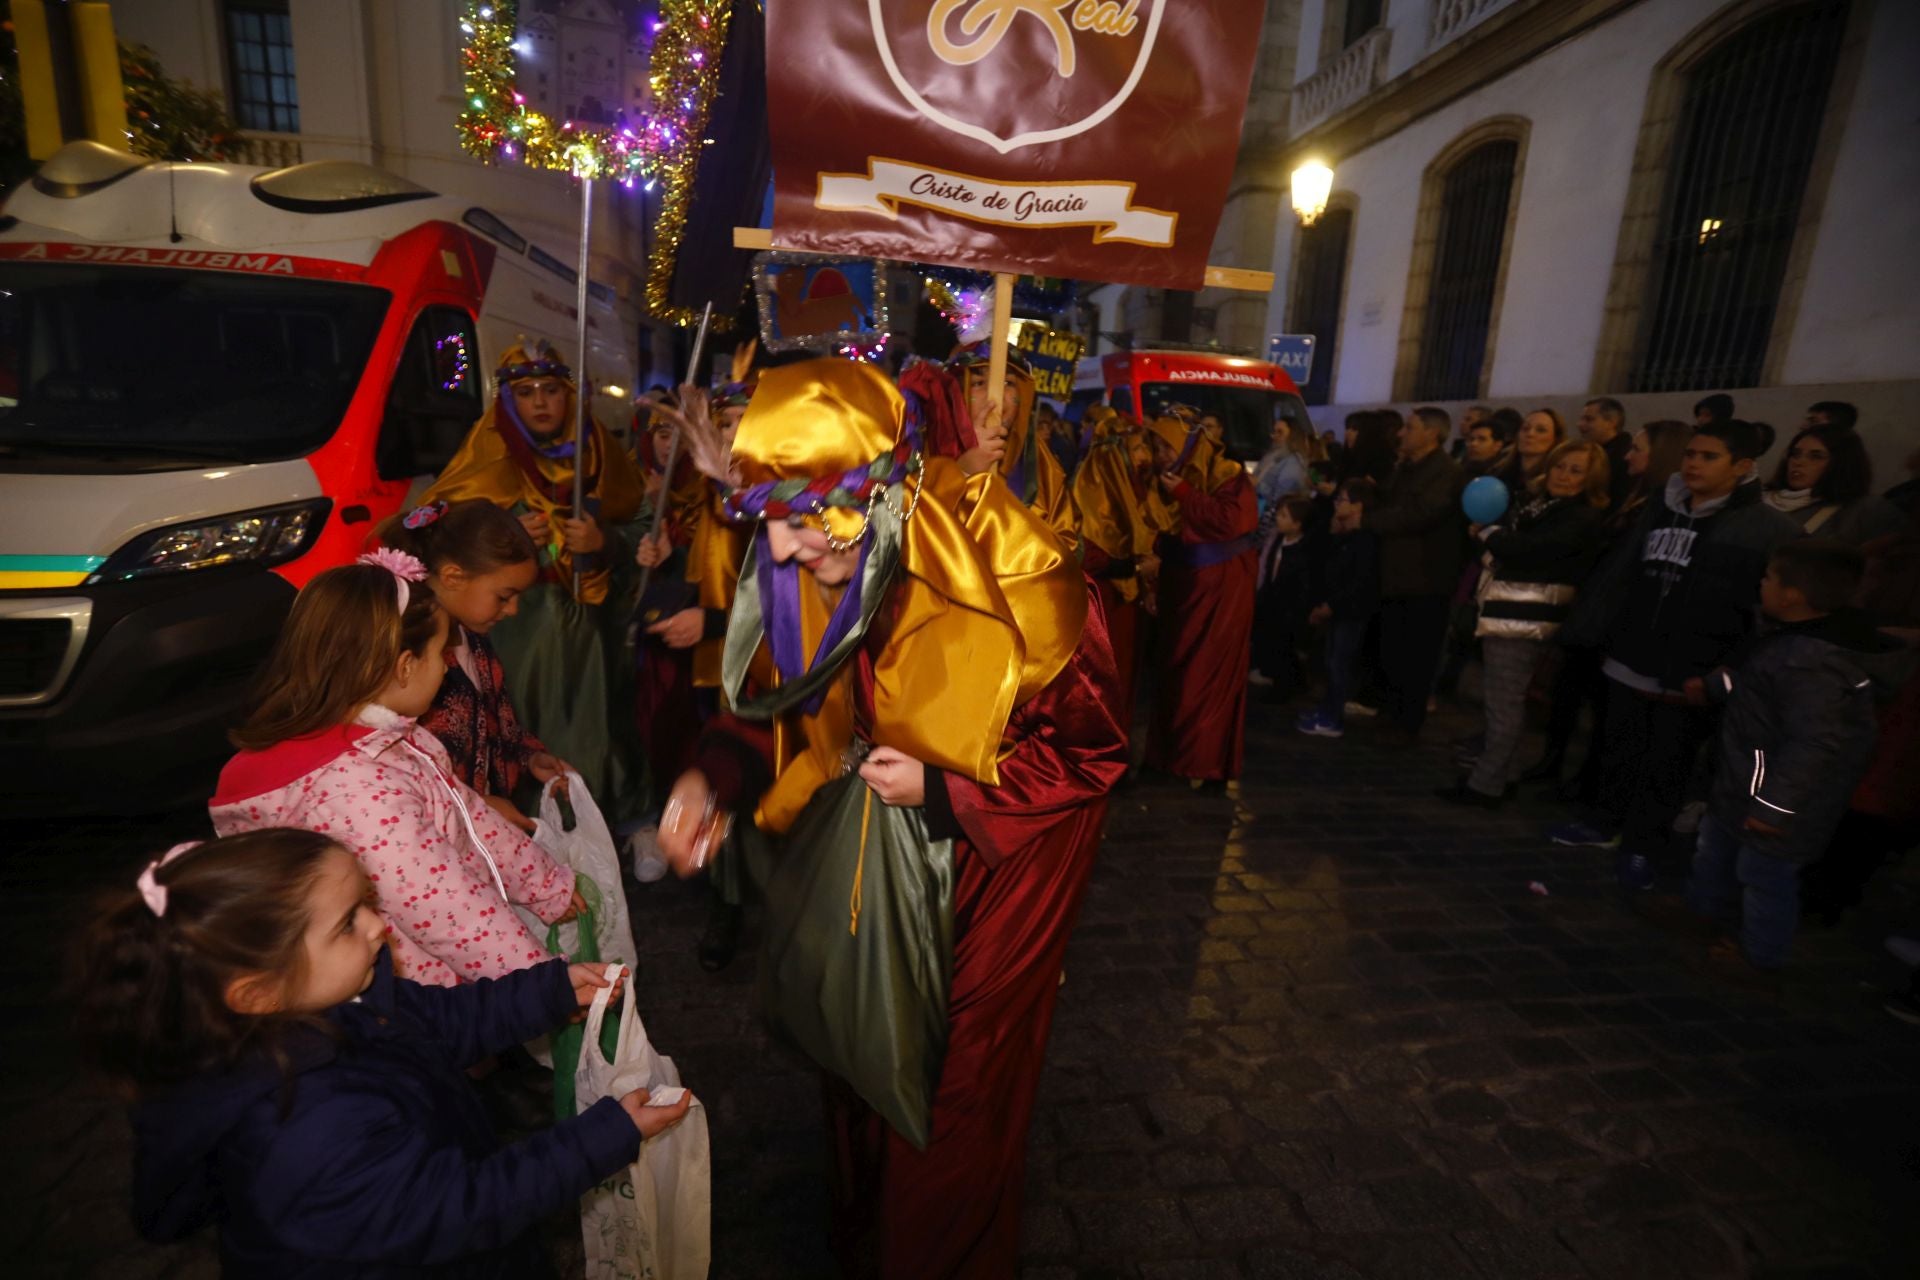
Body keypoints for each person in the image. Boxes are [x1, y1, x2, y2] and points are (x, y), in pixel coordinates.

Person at [652, 359, 1125, 1279]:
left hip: (1004, 864)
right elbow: (781, 699)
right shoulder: (813, 556)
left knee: (954, 1087)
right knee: (860, 1048)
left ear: (872, 499)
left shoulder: (1026, 579)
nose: (780, 555)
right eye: (766, 526)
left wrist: (952, 793)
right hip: (871, 845)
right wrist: (712, 776)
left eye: (796, 524)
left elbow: (1093, 753)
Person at [76, 829, 691, 1276]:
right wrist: (606, 1134)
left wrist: (548, 992)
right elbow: (464, 1208)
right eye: (349, 921)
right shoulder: (306, 1132)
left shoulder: (343, 995)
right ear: (258, 993)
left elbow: (443, 1022)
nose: (377, 926)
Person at [210, 554, 582, 985]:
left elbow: (471, 818)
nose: (447, 666)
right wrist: (541, 988)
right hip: (418, 1004)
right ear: (406, 666)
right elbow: (448, 911)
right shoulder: (357, 791)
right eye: (441, 653)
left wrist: (544, 885)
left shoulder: (394, 740)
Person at [1641, 542, 1905, 989]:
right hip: (1743, 783)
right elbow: (1751, 680)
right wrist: (1712, 685)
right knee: (1715, 848)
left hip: (1777, 805)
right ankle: (1701, 909)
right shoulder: (1782, 638)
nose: (1761, 583)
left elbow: (1816, 745)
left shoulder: (1814, 663)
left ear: (1793, 595)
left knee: (1765, 878)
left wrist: (1774, 810)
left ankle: (1759, 955)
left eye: (1769, 577)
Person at [1553, 420, 1801, 889]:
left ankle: (1643, 846)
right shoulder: (1661, 509)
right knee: (1617, 749)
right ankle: (1604, 823)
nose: (1693, 464)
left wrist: (1724, 671)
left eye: (1709, 457)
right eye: (1690, 454)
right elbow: (1628, 572)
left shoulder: (1767, 528)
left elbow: (1764, 614)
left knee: (1666, 764)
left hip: (1693, 669)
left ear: (1743, 466)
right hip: (1632, 654)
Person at [419, 341, 650, 827]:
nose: (541, 402)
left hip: (591, 626)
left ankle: (604, 821)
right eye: (525, 392)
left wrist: (604, 540)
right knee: (520, 723)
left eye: (550, 389)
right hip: (513, 631)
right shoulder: (484, 458)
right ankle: (526, 827)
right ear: (507, 401)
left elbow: (644, 532)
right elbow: (432, 539)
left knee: (597, 725)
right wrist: (499, 536)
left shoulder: (602, 457)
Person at [375, 498, 567, 834]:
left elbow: (495, 724)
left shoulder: (474, 639)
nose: (513, 610)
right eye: (504, 596)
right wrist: (473, 806)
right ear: (453, 577)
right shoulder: (406, 667)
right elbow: (398, 775)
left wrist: (527, 757)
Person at [1440, 441, 1609, 806]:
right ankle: (1505, 774)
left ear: (1591, 479)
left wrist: (1489, 534)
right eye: (1561, 466)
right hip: (1506, 609)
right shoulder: (1540, 505)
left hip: (1525, 617)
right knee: (1503, 699)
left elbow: (1530, 552)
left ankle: (1485, 785)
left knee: (1505, 703)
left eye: (1576, 470)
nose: (1564, 475)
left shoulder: (1580, 516)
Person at [1527, 420, 1690, 793]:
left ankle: (1586, 782)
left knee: (1600, 707)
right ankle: (1554, 764)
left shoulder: (1657, 506)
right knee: (1567, 696)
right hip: (1594, 611)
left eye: (1638, 448)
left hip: (1611, 620)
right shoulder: (1635, 496)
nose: (1629, 454)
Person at [1144, 412, 1261, 785]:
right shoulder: (1161, 477)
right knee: (1176, 671)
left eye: (1168, 444)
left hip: (1221, 587)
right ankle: (1170, 758)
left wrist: (1184, 494)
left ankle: (1204, 764)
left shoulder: (1225, 472)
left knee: (1206, 675)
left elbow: (1232, 522)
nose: (1161, 453)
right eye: (1156, 445)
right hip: (1183, 585)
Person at [1360, 406, 1465, 740]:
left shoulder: (1445, 472)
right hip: (1396, 577)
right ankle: (1391, 712)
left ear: (1432, 434)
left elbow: (1417, 514)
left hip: (1425, 579)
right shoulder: (1406, 468)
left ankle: (1406, 723)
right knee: (1393, 651)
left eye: (1410, 427)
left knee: (1416, 657)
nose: (1402, 433)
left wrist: (1364, 521)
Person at [1072, 405, 1165, 735]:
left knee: (1124, 678)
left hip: (1126, 602)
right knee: (1102, 678)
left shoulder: (1137, 487)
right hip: (1101, 603)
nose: (1146, 456)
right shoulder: (1094, 488)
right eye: (1138, 448)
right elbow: (1089, 554)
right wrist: (1136, 565)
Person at [1297, 478, 1379, 738]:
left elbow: (1359, 580)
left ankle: (1333, 717)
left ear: (1358, 506)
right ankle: (1326, 709)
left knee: (1340, 664)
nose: (1336, 503)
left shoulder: (1365, 540)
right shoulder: (1344, 536)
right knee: (1332, 660)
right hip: (1337, 607)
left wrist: (1333, 604)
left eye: (1342, 499)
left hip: (1350, 610)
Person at [1764, 422, 1906, 546]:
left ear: (1841, 463)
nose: (1798, 462)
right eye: (1795, 454)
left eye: (1816, 456)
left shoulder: (1866, 509)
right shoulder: (1761, 498)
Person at [1252, 495, 1320, 698]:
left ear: (1298, 524)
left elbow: (1302, 584)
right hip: (1272, 602)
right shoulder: (1278, 541)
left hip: (1288, 608)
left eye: (1284, 516)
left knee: (1284, 648)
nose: (1278, 519)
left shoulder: (1303, 550)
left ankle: (1284, 688)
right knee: (1272, 644)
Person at [1254, 415, 1311, 534]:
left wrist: (1257, 484)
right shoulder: (1275, 455)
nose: (1274, 436)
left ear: (1293, 436)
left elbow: (1282, 496)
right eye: (1274, 432)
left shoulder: (1293, 462)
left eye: (1280, 432)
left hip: (1272, 520)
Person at [1576, 397, 1633, 509]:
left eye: (1589, 419)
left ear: (1611, 423)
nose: (1580, 425)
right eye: (1582, 419)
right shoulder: (1598, 451)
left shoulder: (1622, 458)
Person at [1501, 408, 1566, 495]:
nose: (1530, 434)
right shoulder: (1500, 472)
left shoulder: (1556, 480)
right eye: (1525, 428)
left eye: (1541, 430)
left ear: (1555, 439)